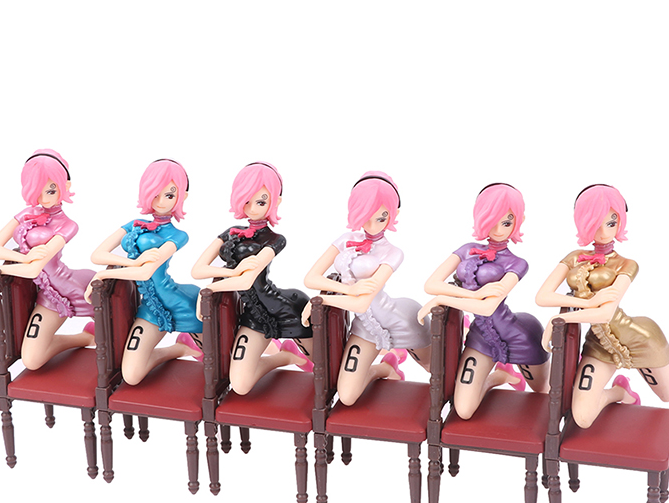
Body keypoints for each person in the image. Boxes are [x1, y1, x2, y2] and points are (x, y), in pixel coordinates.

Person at [535, 184, 669, 428]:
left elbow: (605, 312)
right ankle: (620, 392)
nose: (604, 231)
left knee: (668, 393)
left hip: (639, 338)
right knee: (583, 418)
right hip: (600, 344)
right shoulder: (574, 257)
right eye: (595, 223)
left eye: (611, 222)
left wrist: (559, 320)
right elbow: (542, 297)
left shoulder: (627, 264)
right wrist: (587, 302)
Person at [417, 183, 549, 419]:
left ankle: (507, 372)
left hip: (519, 335)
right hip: (481, 335)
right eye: (492, 220)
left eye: (506, 222)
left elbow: (488, 307)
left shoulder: (517, 263)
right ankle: (499, 376)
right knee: (464, 410)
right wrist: (471, 295)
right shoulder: (467, 249)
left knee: (542, 390)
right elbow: (431, 284)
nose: (498, 229)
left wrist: (445, 298)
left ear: (519, 220)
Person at [302, 171, 430, 406]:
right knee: (347, 395)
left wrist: (321, 300)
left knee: (432, 367)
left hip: (400, 319)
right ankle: (386, 367)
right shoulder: (345, 239)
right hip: (364, 325)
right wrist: (348, 290)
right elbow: (311, 278)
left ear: (394, 214)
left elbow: (361, 302)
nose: (372, 225)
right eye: (365, 216)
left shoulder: (393, 252)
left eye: (381, 218)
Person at [191, 161, 312, 395]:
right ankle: (286, 356)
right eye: (247, 200)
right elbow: (198, 270)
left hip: (286, 308)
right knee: (240, 384)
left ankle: (291, 351)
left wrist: (211, 289)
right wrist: (231, 272)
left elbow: (246, 281)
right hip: (254, 312)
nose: (253, 208)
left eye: (261, 201)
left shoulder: (275, 239)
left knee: (323, 362)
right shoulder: (230, 233)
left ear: (275, 201)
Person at [87, 159, 202, 385]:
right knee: (131, 375)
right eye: (155, 193)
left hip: (179, 302)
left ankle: (271, 348)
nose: (161, 202)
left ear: (182, 197)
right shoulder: (135, 224)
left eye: (169, 195)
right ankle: (180, 348)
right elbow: (97, 255)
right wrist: (131, 263)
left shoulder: (178, 235)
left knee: (221, 358)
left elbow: (145, 273)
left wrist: (102, 275)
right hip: (151, 304)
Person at [0, 149, 95, 370]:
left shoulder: (68, 225)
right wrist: (21, 257)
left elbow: (34, 270)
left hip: (69, 287)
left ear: (65, 185)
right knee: (32, 360)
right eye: (37, 190)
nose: (44, 198)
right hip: (47, 292)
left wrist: (2, 270)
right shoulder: (26, 213)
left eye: (51, 190)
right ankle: (84, 338)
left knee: (115, 332)